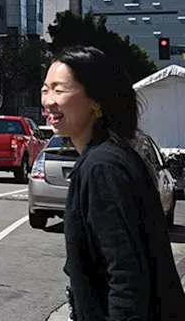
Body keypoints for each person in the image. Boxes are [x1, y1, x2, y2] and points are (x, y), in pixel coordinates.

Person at [43, 46, 185, 319]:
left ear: (96, 101)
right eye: (45, 89)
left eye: (59, 90)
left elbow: (126, 275)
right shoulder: (108, 157)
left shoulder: (103, 167)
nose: (49, 100)